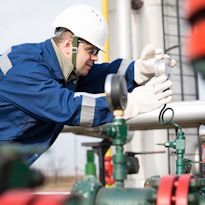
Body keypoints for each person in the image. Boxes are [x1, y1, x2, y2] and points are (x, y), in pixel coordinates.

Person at [0, 4, 175, 165]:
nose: (95, 57)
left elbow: (100, 74)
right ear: (69, 45)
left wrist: (138, 69)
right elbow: (68, 108)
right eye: (91, 51)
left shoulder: (61, 70)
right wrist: (126, 104)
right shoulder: (24, 68)